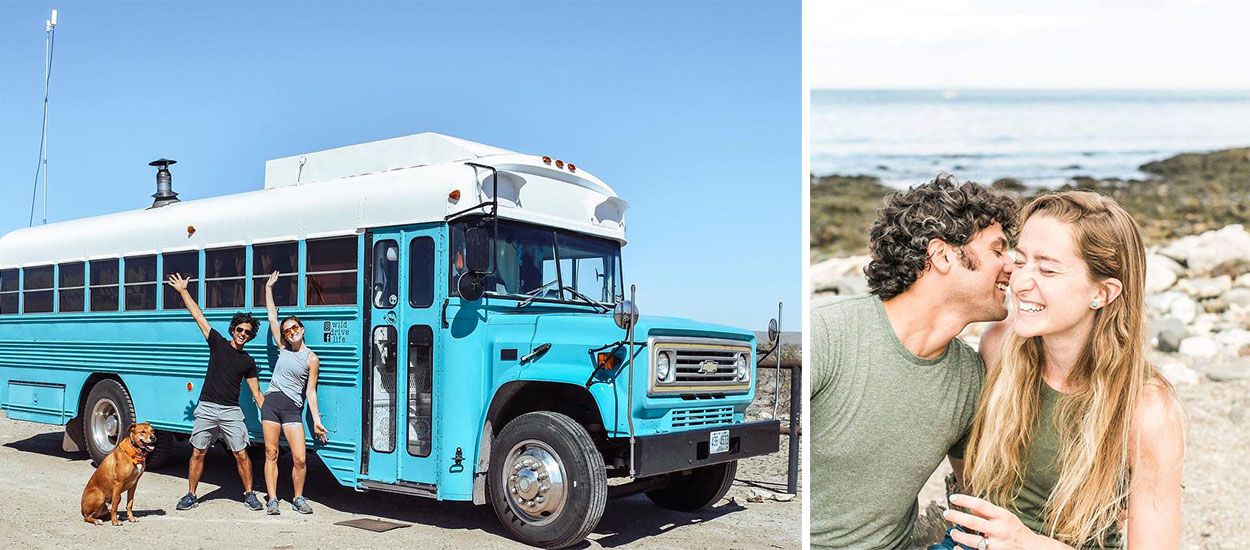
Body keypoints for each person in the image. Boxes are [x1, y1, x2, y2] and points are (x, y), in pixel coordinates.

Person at [942, 191, 1184, 549]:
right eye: (1020, 260)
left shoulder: (1146, 410)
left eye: (1047, 269)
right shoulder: (999, 347)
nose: (1021, 283)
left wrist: (1026, 542)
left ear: (1103, 292)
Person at [810, 175, 1020, 549]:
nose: (1012, 265)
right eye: (997, 250)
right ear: (942, 255)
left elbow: (977, 495)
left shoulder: (969, 376)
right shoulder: (826, 335)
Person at [167, 273, 266, 512]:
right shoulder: (218, 344)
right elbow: (198, 317)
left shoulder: (248, 362)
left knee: (241, 454)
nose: (243, 334)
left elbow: (257, 394)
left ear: (251, 336)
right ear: (233, 330)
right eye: (240, 329)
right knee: (198, 451)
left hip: (231, 411)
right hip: (208, 407)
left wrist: (274, 416)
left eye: (247, 332)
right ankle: (191, 494)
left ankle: (249, 494)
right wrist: (183, 291)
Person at [260, 271, 328, 515]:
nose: (291, 332)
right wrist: (268, 288)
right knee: (271, 453)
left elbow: (310, 392)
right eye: (287, 330)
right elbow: (271, 316)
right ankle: (273, 499)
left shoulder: (312, 359)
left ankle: (298, 497)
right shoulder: (282, 348)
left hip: (291, 408)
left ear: (302, 328)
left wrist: (317, 421)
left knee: (299, 458)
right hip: (271, 404)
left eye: (295, 328)